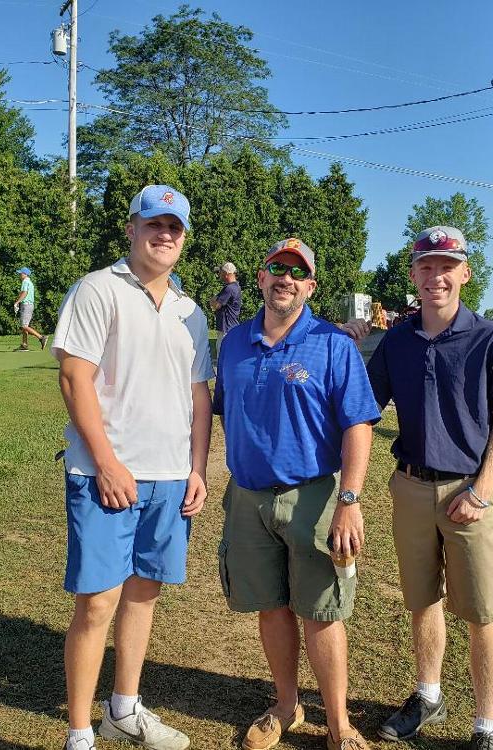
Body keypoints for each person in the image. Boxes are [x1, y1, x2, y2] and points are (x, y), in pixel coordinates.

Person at [352, 225, 493, 750]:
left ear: (464, 273)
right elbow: (363, 409)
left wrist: (482, 490)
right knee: (423, 601)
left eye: (446, 266)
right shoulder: (398, 340)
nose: (436, 277)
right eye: (426, 266)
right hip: (409, 488)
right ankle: (428, 695)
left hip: (466, 496)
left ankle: (485, 728)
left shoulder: (492, 337)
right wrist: (345, 346)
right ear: (413, 274)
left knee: (481, 612)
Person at [50, 184, 213, 750]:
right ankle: (79, 734)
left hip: (170, 477)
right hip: (104, 475)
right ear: (132, 228)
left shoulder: (190, 311)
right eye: (154, 224)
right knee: (98, 601)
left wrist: (197, 468)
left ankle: (124, 709)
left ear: (183, 237)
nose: (164, 234)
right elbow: (75, 378)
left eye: (174, 227)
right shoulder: (98, 289)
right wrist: (106, 462)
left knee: (144, 593)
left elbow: (199, 395)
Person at [212, 238, 382, 750]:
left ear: (310, 286)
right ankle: (286, 707)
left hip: (313, 497)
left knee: (321, 612)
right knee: (271, 607)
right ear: (260, 278)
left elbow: (359, 425)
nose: (285, 277)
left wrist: (350, 501)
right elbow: (221, 409)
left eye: (297, 272)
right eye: (276, 268)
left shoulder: (332, 343)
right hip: (246, 497)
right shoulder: (234, 343)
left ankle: (338, 725)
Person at [13, 267, 48, 350]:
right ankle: (24, 345)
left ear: (25, 274)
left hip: (26, 305)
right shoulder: (29, 282)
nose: (19, 275)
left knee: (24, 326)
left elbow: (24, 293)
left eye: (20, 273)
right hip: (28, 305)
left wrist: (17, 302)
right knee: (25, 325)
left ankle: (41, 337)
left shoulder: (25, 282)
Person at [209, 261, 242, 342]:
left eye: (220, 272)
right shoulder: (234, 287)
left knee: (222, 353)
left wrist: (212, 301)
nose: (219, 274)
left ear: (226, 273)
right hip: (230, 327)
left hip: (226, 329)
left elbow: (215, 305)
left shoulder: (229, 289)